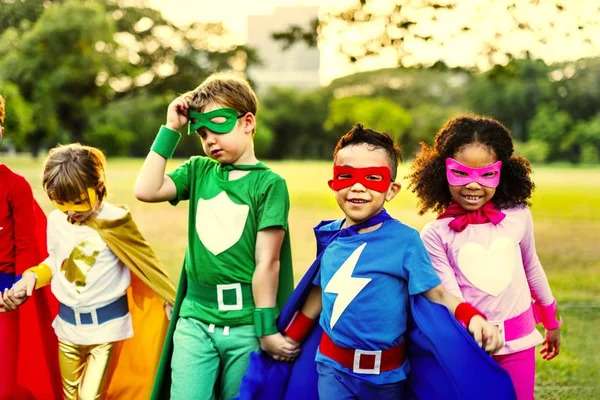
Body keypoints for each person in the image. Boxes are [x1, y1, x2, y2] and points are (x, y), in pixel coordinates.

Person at [242, 124, 505, 400]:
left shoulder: (405, 240)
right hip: (332, 369)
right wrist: (292, 338)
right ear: (334, 184)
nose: (358, 187)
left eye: (372, 178)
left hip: (387, 375)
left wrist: (472, 317)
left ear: (391, 190)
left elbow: (436, 293)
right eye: (346, 176)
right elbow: (320, 293)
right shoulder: (331, 237)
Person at [134, 73, 295, 400]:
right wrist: (170, 130)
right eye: (203, 133)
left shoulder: (269, 184)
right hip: (194, 322)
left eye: (218, 126)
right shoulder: (198, 171)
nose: (209, 140)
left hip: (245, 326)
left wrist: (265, 327)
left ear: (248, 122)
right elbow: (146, 190)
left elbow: (268, 261)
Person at [408, 113, 562, 399]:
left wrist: (552, 321)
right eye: (461, 173)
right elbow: (448, 295)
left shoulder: (518, 217)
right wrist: (475, 327)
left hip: (519, 343)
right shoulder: (435, 233)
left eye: (486, 174)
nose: (473, 185)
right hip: (467, 347)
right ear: (442, 171)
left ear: (503, 172)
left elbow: (532, 267)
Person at [6, 143, 176, 400]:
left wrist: (169, 298)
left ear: (98, 187)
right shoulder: (57, 221)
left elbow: (147, 265)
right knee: (70, 396)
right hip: (68, 328)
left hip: (107, 330)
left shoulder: (115, 221)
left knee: (90, 397)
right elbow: (55, 261)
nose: (72, 212)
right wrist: (32, 276)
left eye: (79, 202)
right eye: (61, 203)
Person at [0, 94, 62, 399]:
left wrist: (18, 289)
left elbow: (25, 245)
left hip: (5, 293)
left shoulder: (14, 185)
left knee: (7, 385)